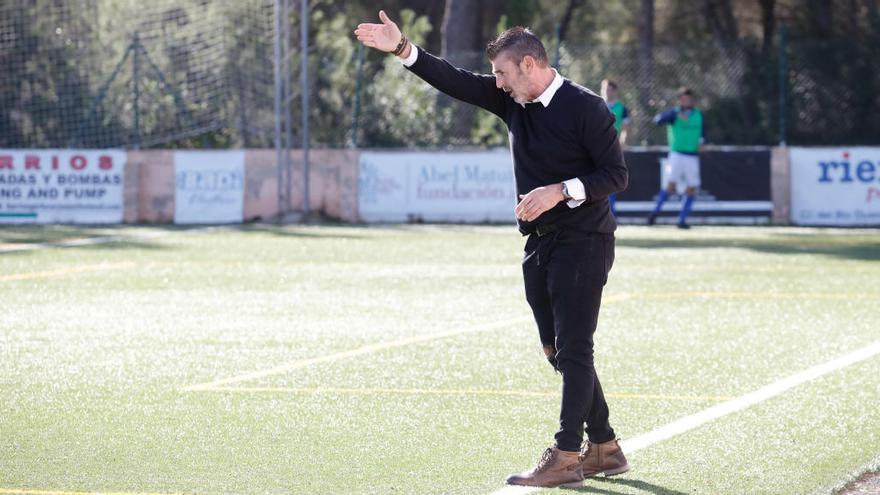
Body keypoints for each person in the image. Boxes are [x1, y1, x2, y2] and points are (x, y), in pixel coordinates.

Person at [355, 11, 630, 489]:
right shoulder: (513, 102)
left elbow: (616, 175)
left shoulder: (587, 108)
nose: (497, 83)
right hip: (538, 245)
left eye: (502, 73)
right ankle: (604, 446)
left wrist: (560, 191)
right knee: (557, 350)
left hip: (585, 240)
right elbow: (455, 80)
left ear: (529, 64)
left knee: (575, 347)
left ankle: (567, 455)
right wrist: (403, 49)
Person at [647, 87, 705, 228]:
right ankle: (654, 214)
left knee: (692, 188)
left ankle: (681, 220)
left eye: (688, 98)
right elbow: (658, 120)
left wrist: (703, 142)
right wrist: (673, 114)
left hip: (692, 156)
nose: (686, 101)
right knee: (670, 185)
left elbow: (703, 132)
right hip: (677, 155)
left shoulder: (698, 115)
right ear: (680, 100)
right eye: (683, 98)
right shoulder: (675, 114)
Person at [600, 79, 630, 216]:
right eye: (605, 89)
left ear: (615, 91)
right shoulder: (596, 104)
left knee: (610, 178)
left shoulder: (622, 108)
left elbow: (625, 129)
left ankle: (611, 212)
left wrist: (622, 144)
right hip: (596, 147)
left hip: (612, 148)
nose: (607, 92)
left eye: (610, 89)